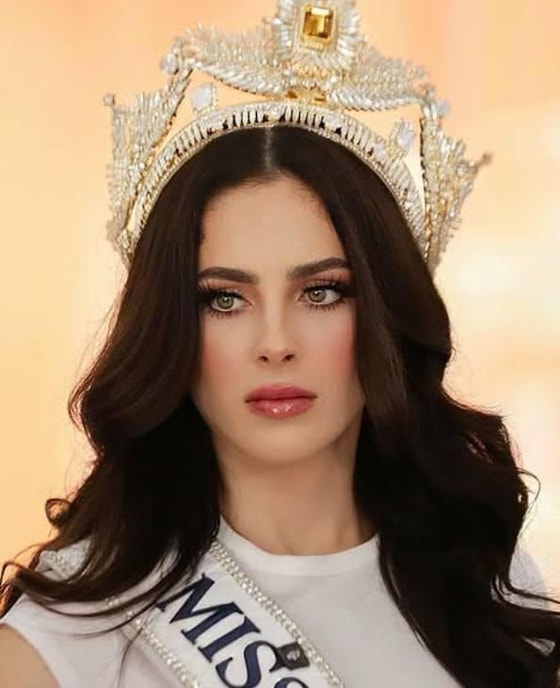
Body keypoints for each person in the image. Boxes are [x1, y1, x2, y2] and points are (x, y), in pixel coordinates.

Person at [1, 1, 559, 687]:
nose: (275, 343)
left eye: (321, 292)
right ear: (173, 326)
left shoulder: (486, 585)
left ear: (384, 313)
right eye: (224, 299)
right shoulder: (68, 639)